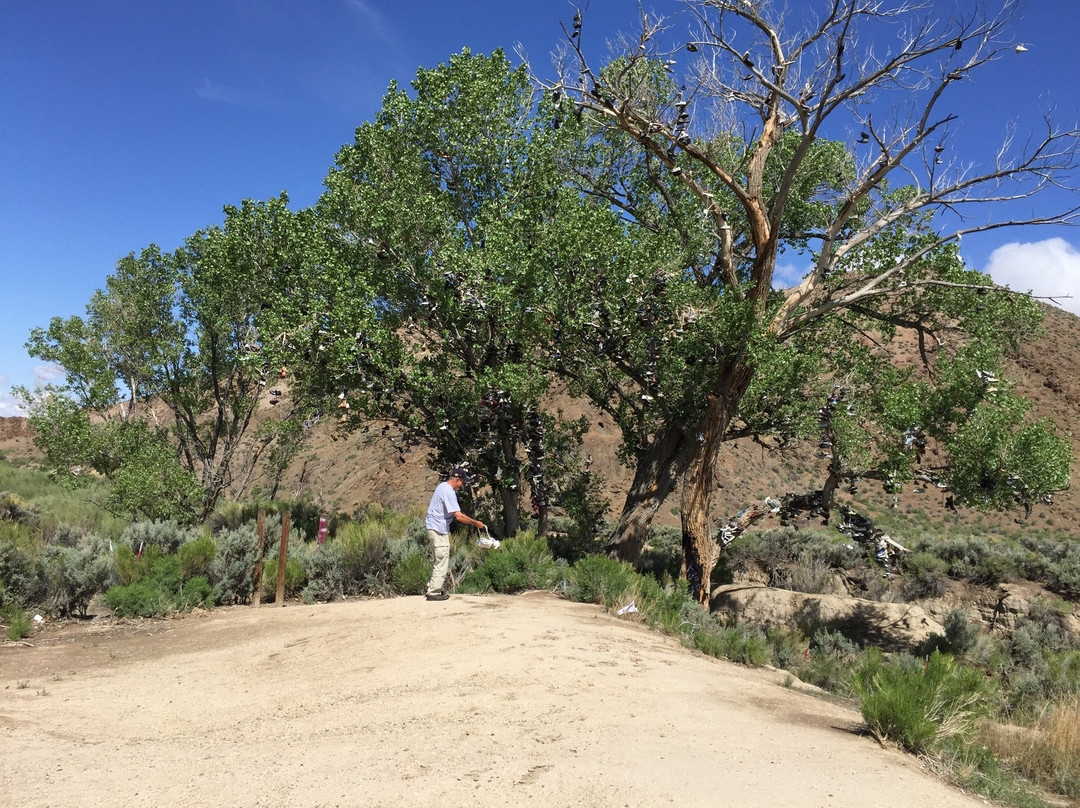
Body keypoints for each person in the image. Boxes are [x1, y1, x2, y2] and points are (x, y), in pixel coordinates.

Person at [424, 467, 485, 601]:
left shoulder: (442, 486)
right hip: (439, 529)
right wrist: (476, 523)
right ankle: (433, 592)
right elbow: (459, 516)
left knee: (437, 559)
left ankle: (431, 586)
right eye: (462, 482)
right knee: (442, 559)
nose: (462, 485)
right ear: (457, 479)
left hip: (432, 527)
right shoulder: (449, 492)